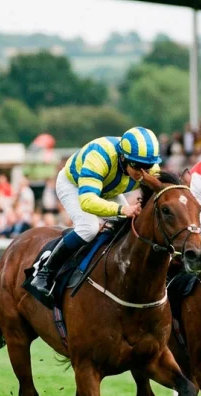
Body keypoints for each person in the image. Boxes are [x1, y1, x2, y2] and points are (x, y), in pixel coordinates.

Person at [27, 127, 160, 301]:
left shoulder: (150, 165)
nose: (141, 172)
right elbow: (88, 201)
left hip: (108, 188)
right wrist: (122, 210)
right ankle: (45, 272)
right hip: (74, 185)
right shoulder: (100, 155)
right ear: (122, 157)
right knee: (88, 228)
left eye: (147, 167)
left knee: (133, 226)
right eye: (136, 165)